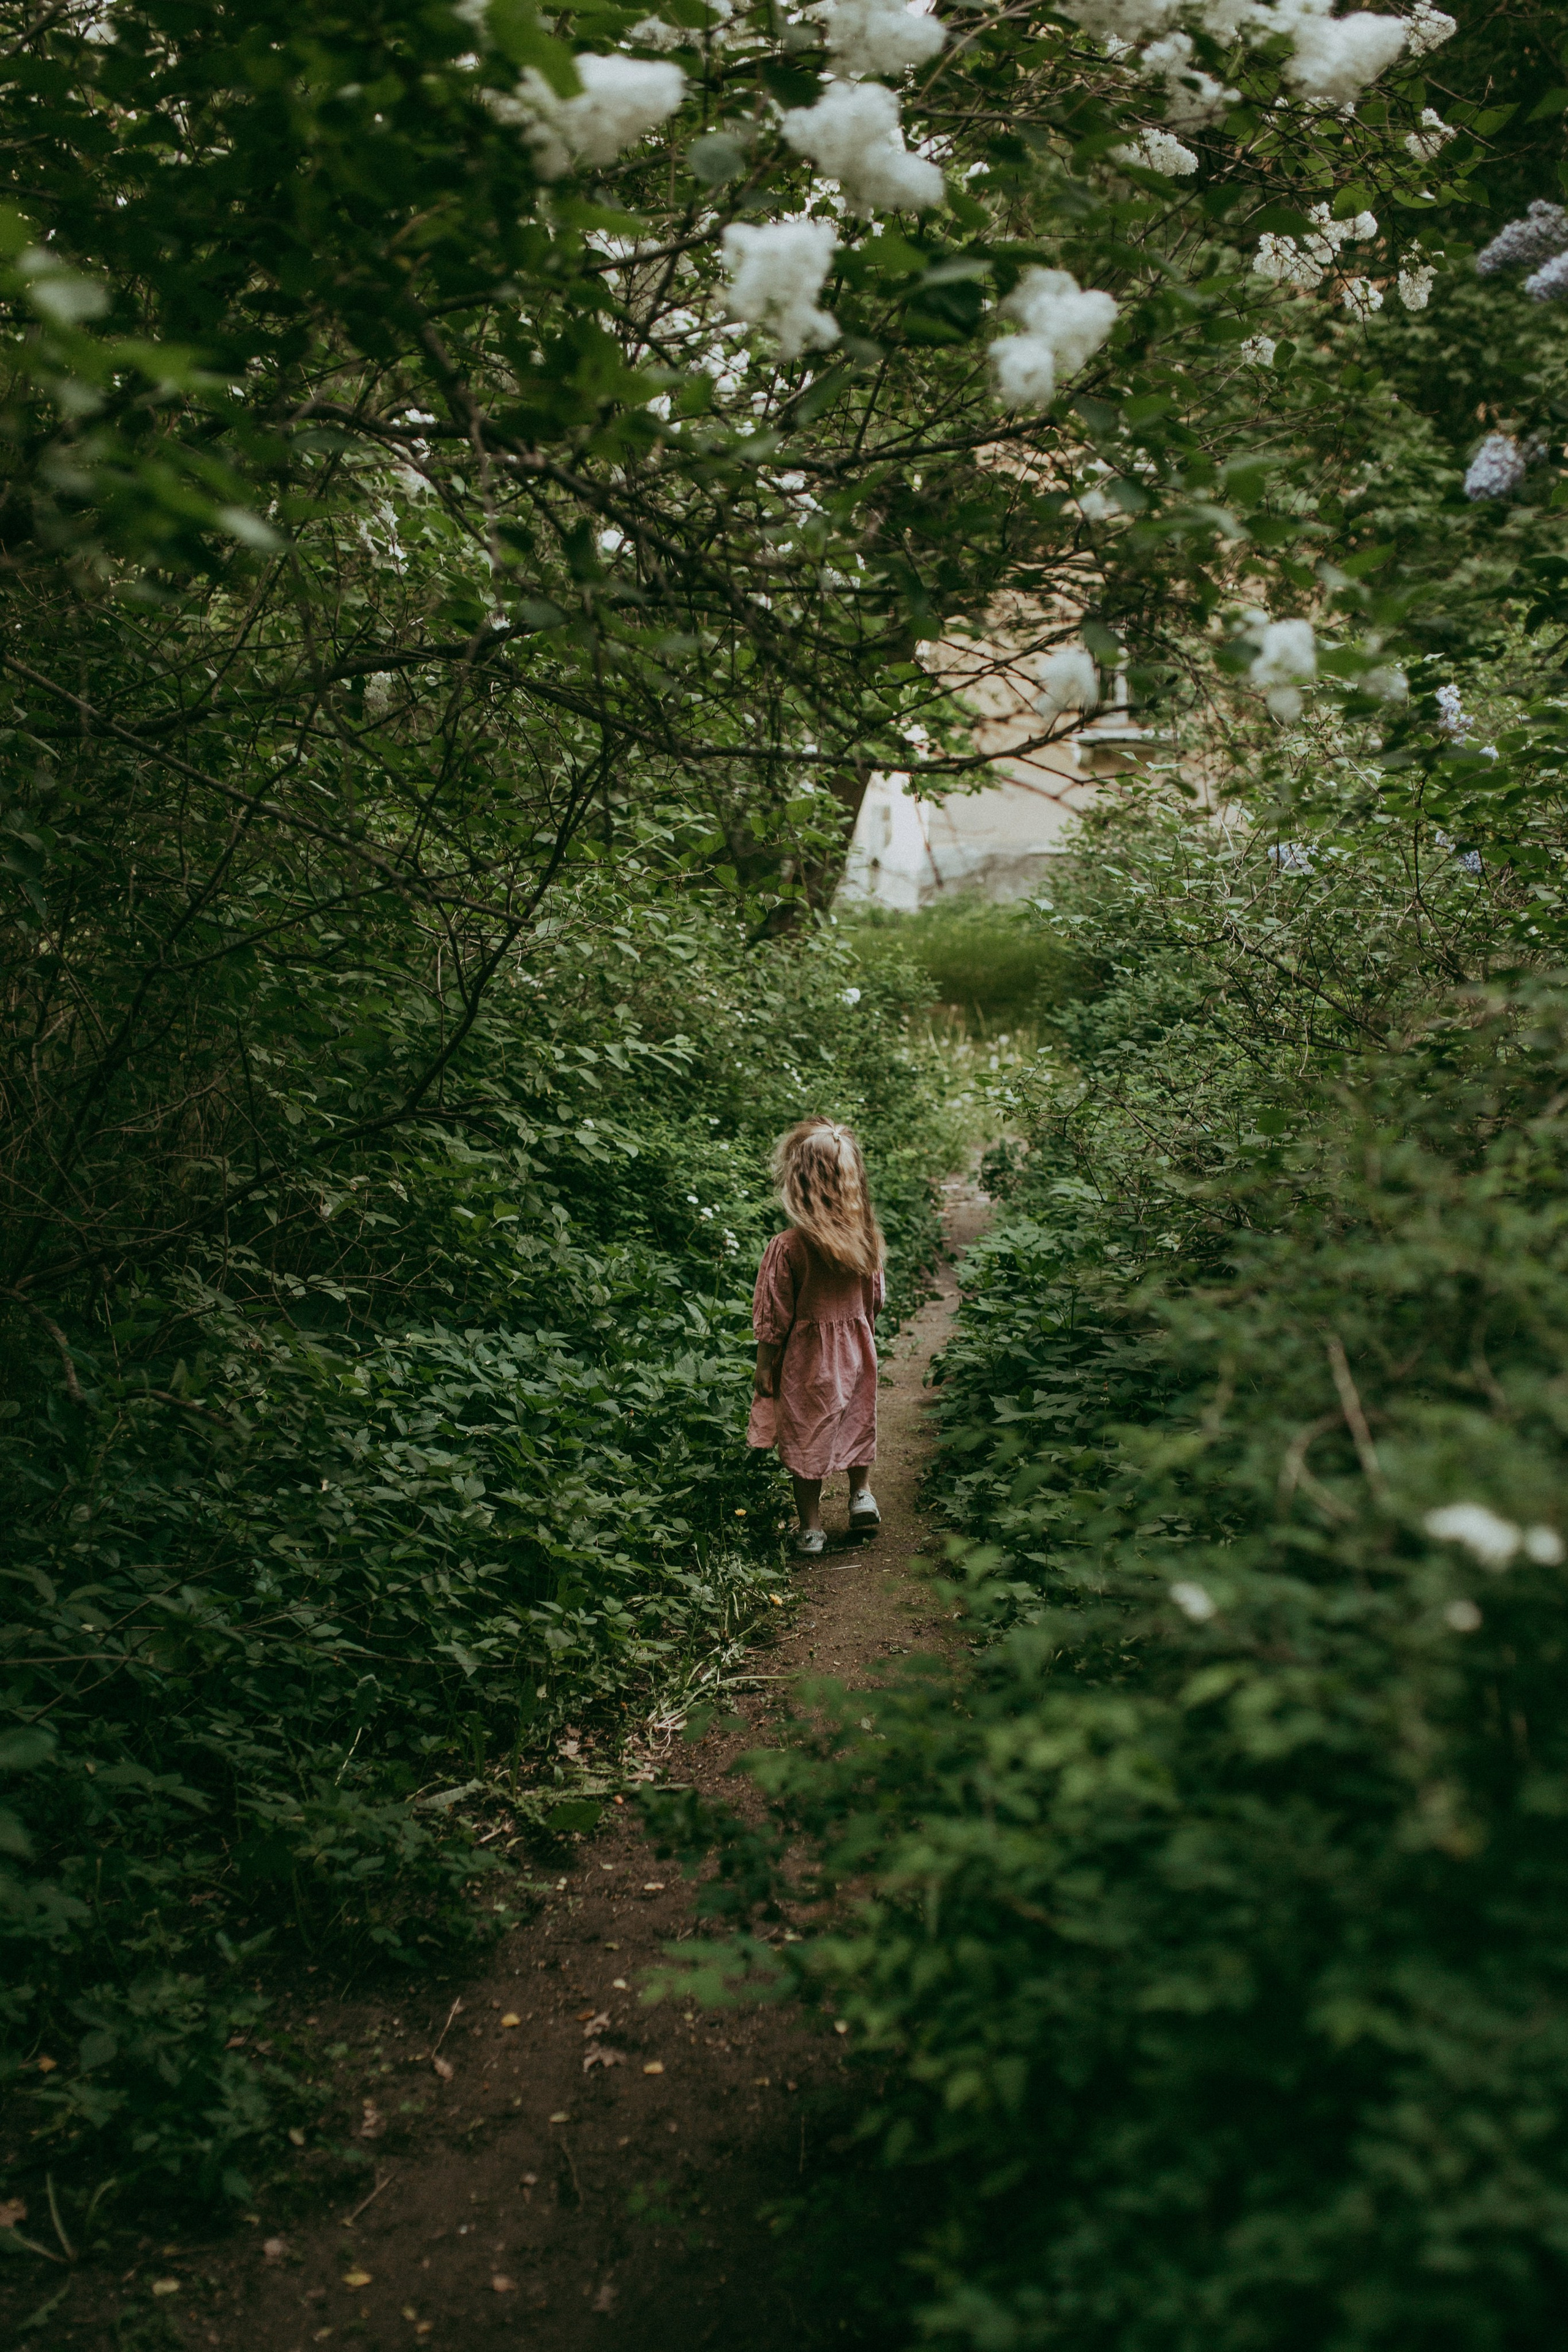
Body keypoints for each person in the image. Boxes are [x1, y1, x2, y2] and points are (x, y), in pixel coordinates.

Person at [748, 1116, 885, 1556]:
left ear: (799, 1181)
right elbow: (874, 1299)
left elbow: (774, 1315)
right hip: (857, 1350)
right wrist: (862, 1336)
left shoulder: (788, 1247)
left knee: (806, 1435)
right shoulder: (866, 1240)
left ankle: (811, 1529)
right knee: (856, 1420)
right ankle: (861, 1495)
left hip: (806, 1361)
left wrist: (765, 1365)